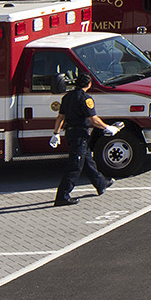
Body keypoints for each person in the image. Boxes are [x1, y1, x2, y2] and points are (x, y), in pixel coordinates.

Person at [54, 70, 114, 206]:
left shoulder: (67, 97)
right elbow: (93, 120)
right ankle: (62, 196)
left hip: (70, 134)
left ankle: (101, 183)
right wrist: (107, 127)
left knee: (87, 161)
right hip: (79, 135)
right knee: (75, 165)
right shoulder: (85, 98)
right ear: (89, 84)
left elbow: (60, 117)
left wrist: (56, 133)